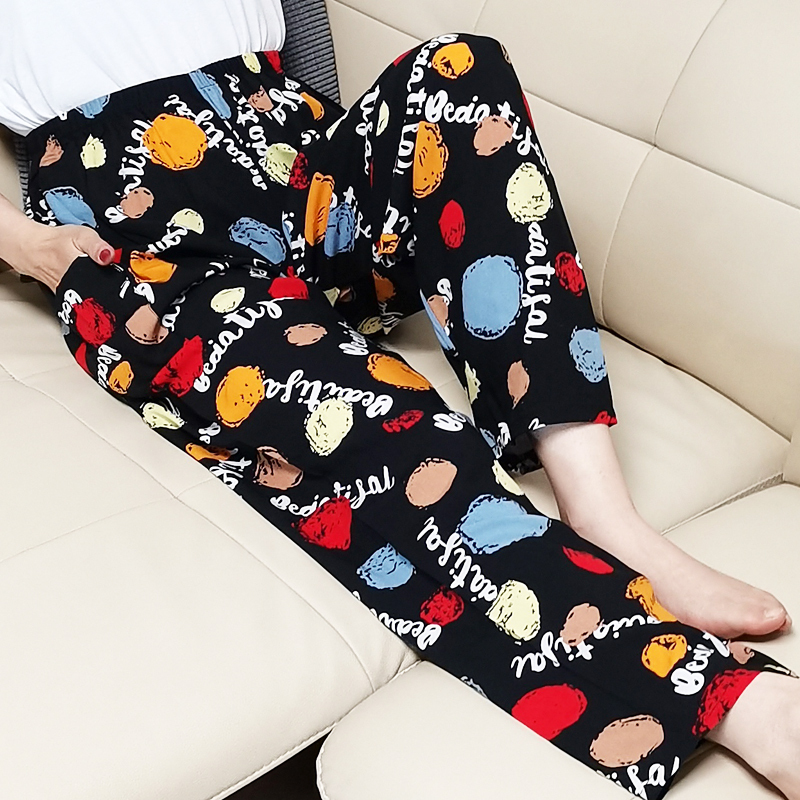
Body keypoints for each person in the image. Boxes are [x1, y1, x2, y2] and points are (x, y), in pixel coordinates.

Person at [0, 3, 798, 797]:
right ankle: (732, 702)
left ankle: (606, 515)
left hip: (299, 162)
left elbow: (299, 37)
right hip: (142, 247)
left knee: (460, 66)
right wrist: (36, 250)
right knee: (388, 431)